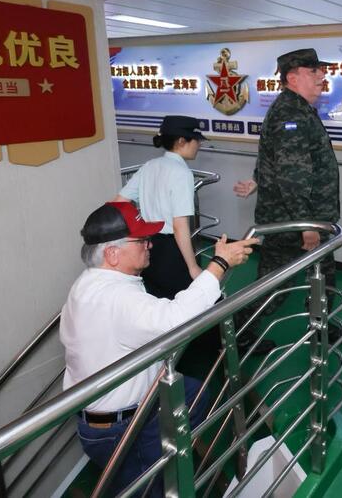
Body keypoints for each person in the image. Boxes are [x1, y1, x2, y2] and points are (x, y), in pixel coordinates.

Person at [60, 201, 257, 496]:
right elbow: (175, 320)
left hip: (122, 407)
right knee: (150, 489)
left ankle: (174, 448)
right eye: (141, 240)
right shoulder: (117, 298)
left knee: (194, 394)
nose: (149, 244)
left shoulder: (88, 283)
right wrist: (220, 264)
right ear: (112, 253)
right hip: (121, 429)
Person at [234, 48, 342, 353]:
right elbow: (292, 175)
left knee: (323, 274)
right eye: (313, 71)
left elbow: (275, 160)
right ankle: (237, 333)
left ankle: (321, 326)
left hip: (312, 218)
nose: (322, 76)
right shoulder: (291, 114)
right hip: (292, 221)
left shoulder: (298, 109)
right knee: (275, 285)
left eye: (321, 70)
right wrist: (306, 224)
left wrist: (257, 180)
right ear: (292, 77)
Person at [115, 115, 207, 300]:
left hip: (147, 245)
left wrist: (136, 231)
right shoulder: (182, 173)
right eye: (196, 139)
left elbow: (119, 202)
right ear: (182, 141)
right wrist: (192, 267)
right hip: (171, 250)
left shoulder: (149, 166)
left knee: (155, 299)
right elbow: (179, 226)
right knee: (186, 303)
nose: (199, 144)